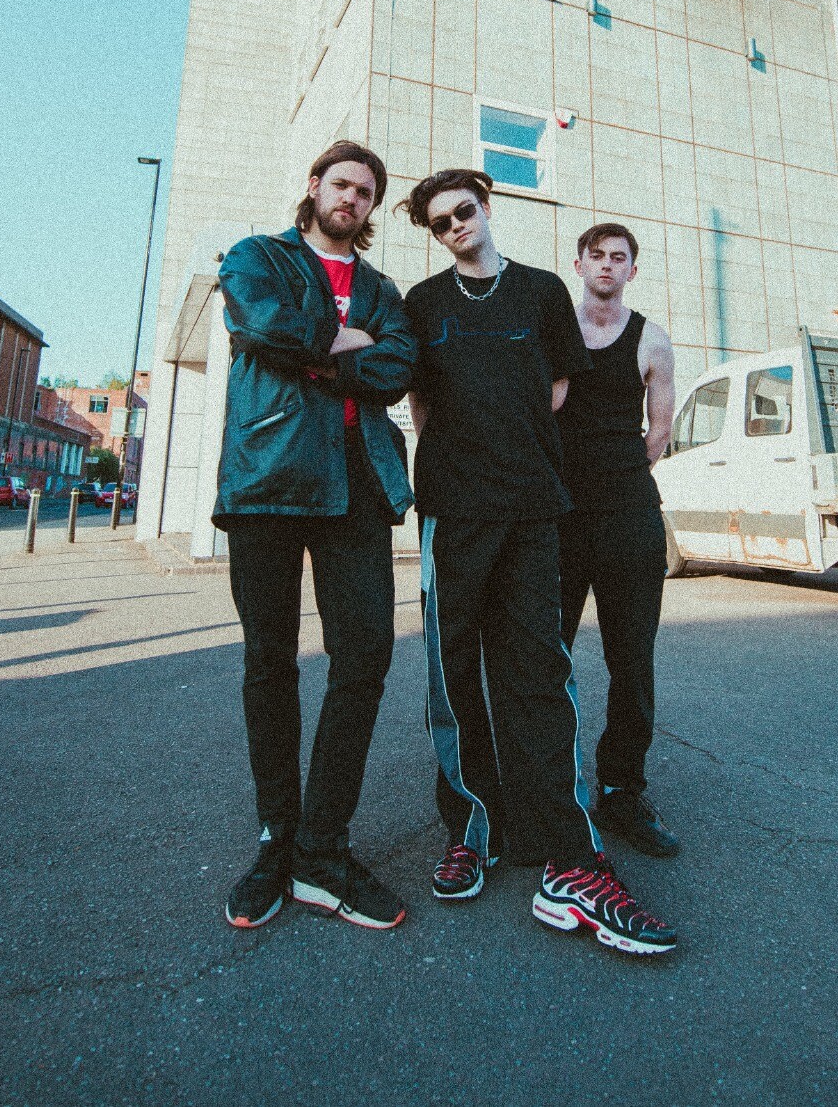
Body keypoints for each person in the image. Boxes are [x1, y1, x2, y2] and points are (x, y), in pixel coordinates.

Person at [399, 169, 677, 957]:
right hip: (455, 509)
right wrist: (466, 447)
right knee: (455, 673)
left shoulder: (542, 292)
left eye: (464, 210)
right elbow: (420, 404)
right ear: (433, 233)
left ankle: (569, 859)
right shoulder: (424, 303)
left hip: (531, 505)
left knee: (539, 674)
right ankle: (472, 829)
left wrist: (508, 437)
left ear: (485, 209)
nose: (456, 225)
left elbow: (556, 388)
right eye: (440, 221)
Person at [215, 141, 418, 933]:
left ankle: (321, 849)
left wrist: (329, 352)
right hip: (269, 477)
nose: (352, 198)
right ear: (314, 187)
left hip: (357, 486)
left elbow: (398, 367)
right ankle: (277, 838)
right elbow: (263, 324)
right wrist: (348, 342)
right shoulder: (257, 257)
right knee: (269, 661)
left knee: (364, 657)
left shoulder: (380, 288)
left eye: (365, 191)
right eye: (342, 184)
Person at [556, 223, 681, 858]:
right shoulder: (556, 329)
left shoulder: (651, 338)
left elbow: (659, 429)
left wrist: (618, 475)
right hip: (559, 515)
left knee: (630, 659)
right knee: (545, 654)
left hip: (628, 515)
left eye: (619, 258)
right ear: (579, 264)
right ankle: (551, 789)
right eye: (597, 256)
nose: (607, 265)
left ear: (632, 270)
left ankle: (622, 791)